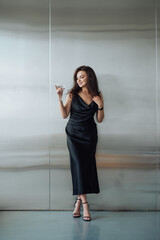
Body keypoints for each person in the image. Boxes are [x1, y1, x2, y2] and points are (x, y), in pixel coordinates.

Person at [55, 65, 104, 221]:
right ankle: (85, 204)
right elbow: (64, 115)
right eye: (77, 78)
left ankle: (77, 201)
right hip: (73, 134)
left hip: (89, 135)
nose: (79, 80)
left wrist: (100, 105)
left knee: (85, 167)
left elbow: (100, 119)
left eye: (81, 77)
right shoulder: (72, 94)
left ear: (89, 76)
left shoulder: (98, 94)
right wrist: (59, 98)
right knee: (78, 165)